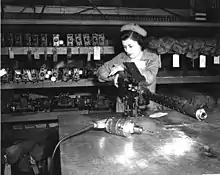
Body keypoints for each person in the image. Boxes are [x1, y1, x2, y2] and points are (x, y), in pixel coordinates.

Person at [96, 23, 160, 112]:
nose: (128, 50)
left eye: (131, 46)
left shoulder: (152, 58)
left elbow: (148, 79)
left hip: (145, 107)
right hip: (123, 107)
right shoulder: (121, 57)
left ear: (140, 44)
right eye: (125, 47)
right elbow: (101, 73)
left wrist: (125, 70)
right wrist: (118, 75)